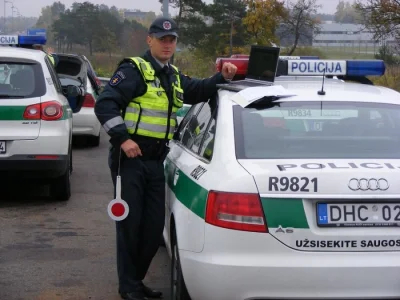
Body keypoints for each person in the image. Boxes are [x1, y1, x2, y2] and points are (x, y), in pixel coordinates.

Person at [94, 16, 237, 300]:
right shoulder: (133, 70)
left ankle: (136, 279)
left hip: (156, 160)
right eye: (162, 39)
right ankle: (129, 286)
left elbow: (196, 90)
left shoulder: (172, 74)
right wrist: (123, 139)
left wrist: (223, 77)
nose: (167, 44)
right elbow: (105, 104)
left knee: (152, 228)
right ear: (150, 40)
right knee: (130, 226)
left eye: (172, 40)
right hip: (130, 161)